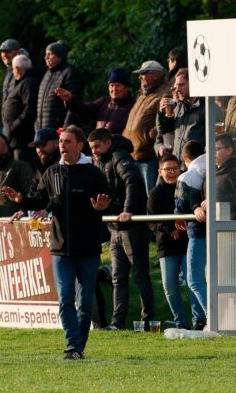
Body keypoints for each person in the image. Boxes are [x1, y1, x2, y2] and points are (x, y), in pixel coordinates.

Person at [0, 125, 111, 360]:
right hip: (60, 249)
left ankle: (77, 347)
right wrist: (22, 200)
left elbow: (111, 199)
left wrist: (103, 206)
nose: (62, 146)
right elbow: (38, 199)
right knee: (65, 300)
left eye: (68, 142)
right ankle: (73, 345)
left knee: (85, 303)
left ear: (80, 145)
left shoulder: (94, 173)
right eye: (61, 142)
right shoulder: (52, 173)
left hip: (88, 249)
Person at [86, 128, 152, 330]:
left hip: (131, 227)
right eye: (91, 148)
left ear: (107, 143)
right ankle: (117, 322)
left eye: (97, 146)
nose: (94, 151)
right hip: (114, 227)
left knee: (140, 276)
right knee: (117, 277)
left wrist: (128, 210)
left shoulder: (119, 155)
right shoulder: (100, 160)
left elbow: (133, 181)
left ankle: (147, 322)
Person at [148, 153, 195, 329]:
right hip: (166, 246)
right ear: (160, 172)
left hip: (187, 243)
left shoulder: (187, 187)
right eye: (168, 169)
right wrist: (170, 229)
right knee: (169, 286)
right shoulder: (155, 194)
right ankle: (181, 322)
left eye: (175, 168)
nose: (172, 172)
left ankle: (200, 319)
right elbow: (152, 222)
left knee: (193, 283)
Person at [173, 141, 208, 330]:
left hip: (197, 232)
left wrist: (178, 217)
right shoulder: (215, 168)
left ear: (185, 158)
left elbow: (180, 206)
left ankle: (212, 316)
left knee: (194, 279)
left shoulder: (187, 176)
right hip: (219, 232)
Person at [123, 60, 165, 192]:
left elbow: (164, 121)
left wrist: (147, 138)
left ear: (156, 75)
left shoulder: (163, 94)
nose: (140, 77)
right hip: (132, 156)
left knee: (150, 197)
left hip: (148, 158)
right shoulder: (142, 95)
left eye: (144, 73)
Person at [56, 68, 133, 135]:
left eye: (118, 85)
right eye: (112, 85)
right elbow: (84, 109)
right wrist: (70, 99)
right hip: (98, 148)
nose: (114, 89)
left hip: (119, 150)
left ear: (126, 87)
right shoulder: (103, 102)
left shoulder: (133, 106)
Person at [157, 68, 204, 163]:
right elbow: (165, 130)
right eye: (176, 86)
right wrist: (162, 113)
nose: (177, 90)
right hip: (178, 164)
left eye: (181, 85)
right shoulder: (179, 106)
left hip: (196, 166)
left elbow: (213, 140)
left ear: (193, 84)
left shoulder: (206, 107)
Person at [36, 41, 83, 132]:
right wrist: (37, 125)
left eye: (49, 54)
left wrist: (66, 127)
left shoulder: (70, 72)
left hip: (59, 129)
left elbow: (74, 102)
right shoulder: (47, 74)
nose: (46, 57)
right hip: (42, 129)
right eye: (46, 54)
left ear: (59, 55)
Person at [2, 55, 38, 164]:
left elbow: (30, 109)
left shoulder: (28, 83)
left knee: (22, 169)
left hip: (22, 140)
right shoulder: (25, 82)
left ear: (16, 69)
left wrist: (13, 126)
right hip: (17, 139)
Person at [214, 134, 236, 220]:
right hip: (216, 225)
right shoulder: (211, 171)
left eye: (216, 149)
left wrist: (216, 198)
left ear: (229, 150)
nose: (212, 152)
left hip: (233, 227)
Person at [0, 38, 23, 123]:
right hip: (7, 123)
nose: (4, 55)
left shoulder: (24, 70)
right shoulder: (8, 72)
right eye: (2, 52)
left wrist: (17, 123)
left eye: (8, 51)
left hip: (19, 125)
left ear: (18, 52)